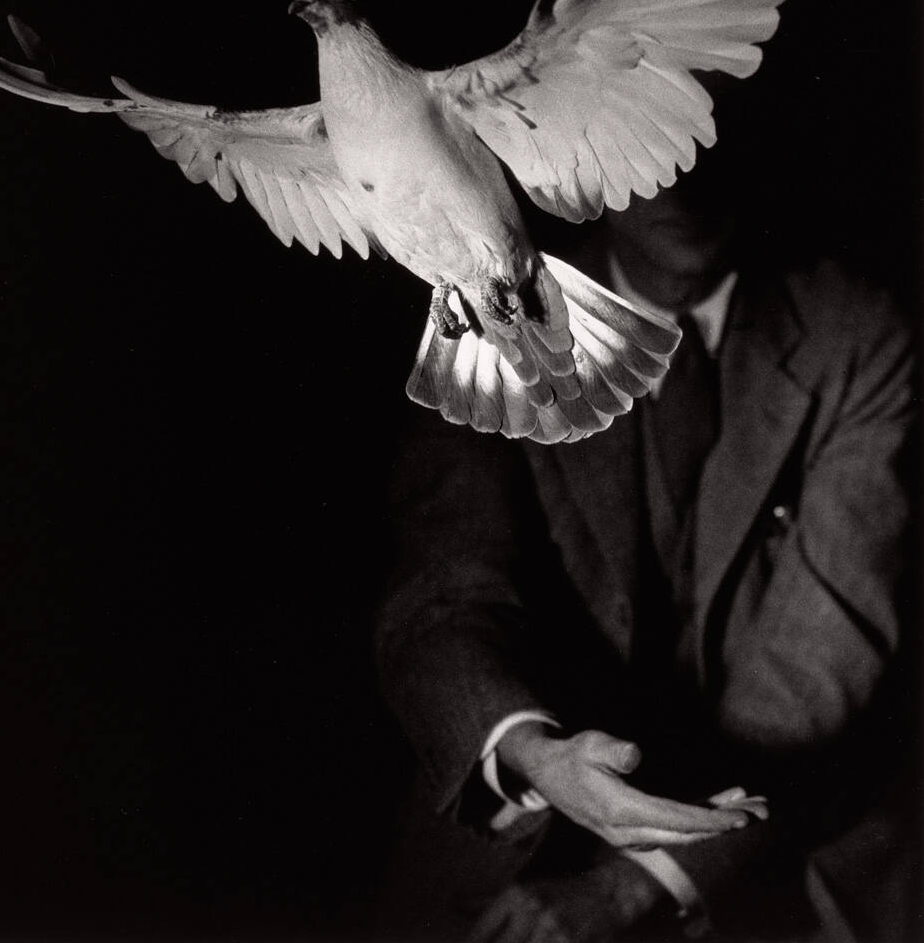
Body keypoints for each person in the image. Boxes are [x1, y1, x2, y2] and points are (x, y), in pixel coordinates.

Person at [375, 142, 917, 943]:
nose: (681, 176)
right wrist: (530, 751)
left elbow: (819, 657)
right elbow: (443, 600)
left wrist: (640, 882)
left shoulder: (856, 333)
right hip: (525, 832)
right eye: (643, 145)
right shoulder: (487, 320)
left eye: (702, 132)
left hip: (777, 841)